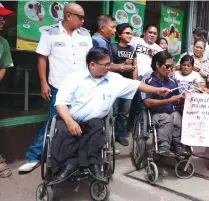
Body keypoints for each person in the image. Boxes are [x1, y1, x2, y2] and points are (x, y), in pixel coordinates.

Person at [49, 47, 170, 183]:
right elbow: (60, 103)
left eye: (109, 63)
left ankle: (94, 166)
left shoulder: (113, 79)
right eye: (105, 64)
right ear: (92, 64)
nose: (109, 67)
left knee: (96, 129)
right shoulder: (74, 78)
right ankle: (68, 167)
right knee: (63, 134)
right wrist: (69, 121)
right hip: (71, 120)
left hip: (95, 123)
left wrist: (157, 90)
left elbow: (136, 85)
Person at [18, 3, 93, 173]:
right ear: (68, 16)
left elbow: (91, 62)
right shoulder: (50, 33)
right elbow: (42, 59)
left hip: (82, 87)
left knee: (83, 120)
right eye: (80, 17)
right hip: (59, 87)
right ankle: (33, 156)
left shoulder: (85, 35)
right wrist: (44, 83)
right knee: (55, 122)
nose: (83, 21)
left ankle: (77, 157)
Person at [141, 51, 188, 156]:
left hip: (171, 112)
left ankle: (177, 144)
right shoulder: (147, 81)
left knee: (176, 116)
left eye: (171, 67)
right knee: (167, 117)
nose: (169, 70)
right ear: (157, 65)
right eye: (167, 66)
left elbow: (177, 98)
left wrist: (182, 98)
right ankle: (164, 145)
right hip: (155, 114)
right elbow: (147, 103)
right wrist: (169, 101)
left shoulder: (172, 81)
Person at [111, 23, 138, 146]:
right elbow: (109, 67)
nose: (130, 35)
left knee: (125, 113)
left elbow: (135, 67)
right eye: (127, 33)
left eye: (131, 33)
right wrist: (123, 64)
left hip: (127, 85)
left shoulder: (132, 49)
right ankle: (111, 135)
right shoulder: (113, 47)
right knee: (114, 112)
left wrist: (135, 82)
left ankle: (121, 135)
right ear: (118, 34)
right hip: (114, 84)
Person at [0, 3, 15, 178]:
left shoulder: (3, 42)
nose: (3, 21)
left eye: (4, 17)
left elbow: (4, 65)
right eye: (0, 17)